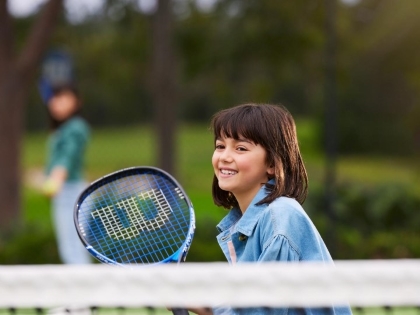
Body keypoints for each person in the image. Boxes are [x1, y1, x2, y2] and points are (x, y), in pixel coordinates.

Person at [192, 104, 352, 315]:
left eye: (241, 148)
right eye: (220, 146)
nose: (224, 156)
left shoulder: (280, 218)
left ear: (273, 164)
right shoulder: (248, 223)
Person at [42, 84, 91, 264]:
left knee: (73, 248)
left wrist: (56, 178)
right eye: (54, 98)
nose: (57, 103)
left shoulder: (76, 127)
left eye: (63, 97)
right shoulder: (62, 129)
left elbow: (67, 156)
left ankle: (83, 290)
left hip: (72, 191)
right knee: (69, 247)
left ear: (76, 102)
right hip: (65, 191)